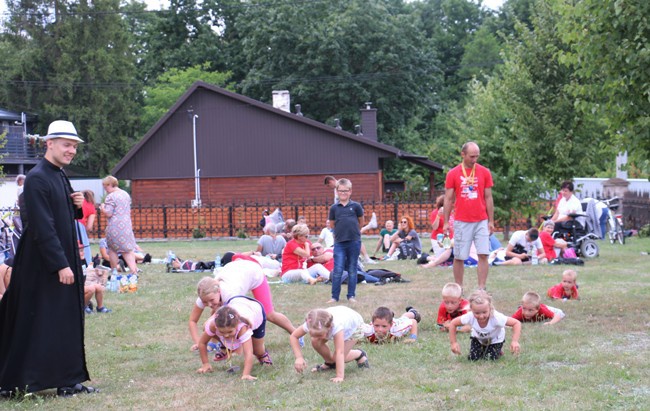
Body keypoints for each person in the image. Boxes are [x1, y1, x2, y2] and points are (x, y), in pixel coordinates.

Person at [0, 120, 96, 397]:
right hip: (42, 266)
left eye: (75, 146)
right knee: (37, 321)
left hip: (60, 261)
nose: (72, 151)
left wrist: (76, 207)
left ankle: (68, 380)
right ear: (49, 143)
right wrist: (60, 265)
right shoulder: (38, 177)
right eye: (67, 145)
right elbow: (42, 226)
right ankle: (17, 381)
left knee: (64, 319)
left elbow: (62, 218)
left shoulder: (59, 175)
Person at [188, 259, 297, 351]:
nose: (209, 304)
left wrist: (235, 349)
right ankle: (216, 343)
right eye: (205, 302)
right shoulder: (206, 294)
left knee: (269, 314)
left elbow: (238, 322)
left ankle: (296, 334)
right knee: (217, 313)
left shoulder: (231, 293)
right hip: (237, 270)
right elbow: (192, 321)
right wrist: (199, 342)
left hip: (253, 273)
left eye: (211, 300)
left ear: (218, 291)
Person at [443, 142, 494, 290]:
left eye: (477, 156)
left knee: (483, 254)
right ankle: (458, 288)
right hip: (461, 220)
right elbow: (448, 198)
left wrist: (490, 220)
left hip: (481, 220)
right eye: (472, 156)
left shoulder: (484, 172)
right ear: (463, 154)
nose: (474, 160)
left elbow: (489, 197)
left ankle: (481, 288)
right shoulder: (453, 173)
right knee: (459, 256)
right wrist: (446, 222)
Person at [289, 306, 369, 383]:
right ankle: (330, 364)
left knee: (336, 358)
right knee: (315, 341)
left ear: (329, 328)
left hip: (354, 328)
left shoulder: (337, 326)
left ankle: (359, 354)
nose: (316, 337)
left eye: (319, 335)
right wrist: (299, 357)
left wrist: (339, 376)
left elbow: (339, 352)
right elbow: (294, 336)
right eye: (312, 334)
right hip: (341, 317)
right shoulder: (312, 323)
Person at [196, 303, 271, 381]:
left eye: (230, 331)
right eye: (222, 332)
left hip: (255, 310)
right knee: (207, 329)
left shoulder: (243, 328)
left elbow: (248, 352)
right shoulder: (212, 325)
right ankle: (226, 348)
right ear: (216, 326)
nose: (226, 335)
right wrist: (205, 364)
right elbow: (202, 343)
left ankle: (263, 355)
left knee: (257, 351)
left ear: (237, 325)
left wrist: (246, 374)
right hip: (237, 304)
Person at [448, 289, 521, 361]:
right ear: (471, 309)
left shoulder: (496, 317)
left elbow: (516, 323)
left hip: (495, 340)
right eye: (477, 313)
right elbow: (453, 324)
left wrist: (514, 341)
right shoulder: (469, 316)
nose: (481, 316)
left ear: (490, 308)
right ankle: (482, 349)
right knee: (473, 358)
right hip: (478, 338)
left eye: (484, 312)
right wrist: (453, 343)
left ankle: (498, 351)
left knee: (490, 358)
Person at [328, 178, 364, 303]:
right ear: (337, 191)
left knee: (352, 269)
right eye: (341, 191)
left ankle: (351, 296)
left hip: (354, 242)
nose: (343, 193)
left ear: (350, 191)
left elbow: (361, 222)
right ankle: (334, 297)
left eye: (346, 191)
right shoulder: (334, 208)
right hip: (339, 243)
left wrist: (354, 232)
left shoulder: (356, 206)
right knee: (338, 270)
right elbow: (332, 224)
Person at [100, 175, 139, 277]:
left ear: (110, 184)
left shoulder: (111, 196)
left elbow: (109, 213)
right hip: (126, 225)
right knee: (128, 249)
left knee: (112, 249)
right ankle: (134, 271)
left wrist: (102, 208)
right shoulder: (125, 194)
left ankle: (114, 272)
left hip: (115, 226)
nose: (105, 190)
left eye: (105, 187)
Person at [76, 189, 97, 268]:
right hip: (80, 226)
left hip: (69, 224)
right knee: (84, 248)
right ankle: (87, 266)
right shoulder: (91, 207)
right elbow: (89, 227)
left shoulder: (78, 202)